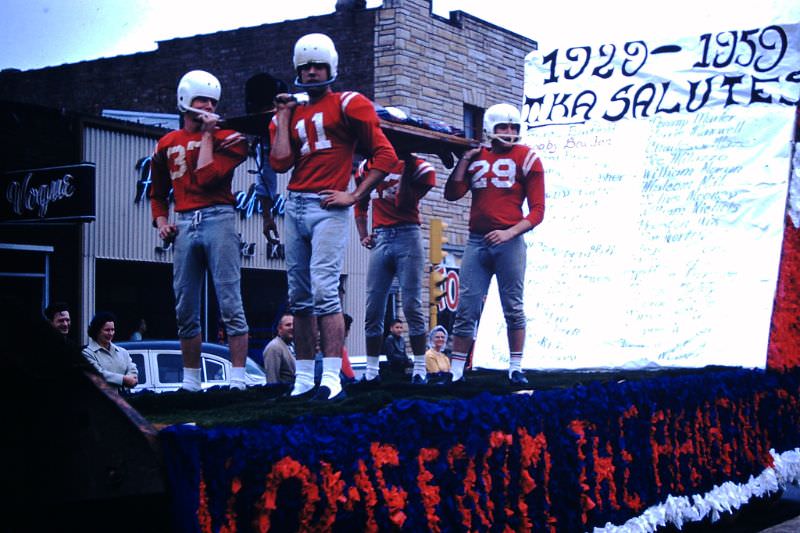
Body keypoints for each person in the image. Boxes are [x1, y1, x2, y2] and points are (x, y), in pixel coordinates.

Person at [269, 33, 399, 401]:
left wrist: (355, 194)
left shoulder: (348, 103)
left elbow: (385, 155)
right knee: (299, 296)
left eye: (318, 65)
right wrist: (281, 115)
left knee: (325, 291)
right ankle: (304, 378)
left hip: (328, 206)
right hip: (294, 204)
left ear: (331, 67)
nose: (311, 72)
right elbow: (279, 161)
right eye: (305, 67)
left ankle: (332, 378)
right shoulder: (293, 110)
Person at [150, 69, 250, 391]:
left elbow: (207, 178)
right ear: (185, 101)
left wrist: (208, 135)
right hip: (183, 220)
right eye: (201, 100)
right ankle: (191, 380)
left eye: (211, 101)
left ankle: (238, 378)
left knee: (230, 301)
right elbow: (157, 193)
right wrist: (162, 222)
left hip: (219, 217)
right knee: (185, 306)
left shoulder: (229, 138)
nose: (207, 106)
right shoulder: (167, 143)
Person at [444, 103, 545, 384]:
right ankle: (455, 371)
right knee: (467, 306)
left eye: (513, 127)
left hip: (509, 241)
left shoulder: (528, 157)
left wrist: (509, 233)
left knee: (512, 305)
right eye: (503, 127)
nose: (509, 133)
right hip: (477, 241)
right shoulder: (477, 157)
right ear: (490, 128)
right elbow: (452, 194)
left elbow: (537, 211)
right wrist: (464, 161)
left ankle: (515, 367)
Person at [355, 153, 436, 385]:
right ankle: (371, 371)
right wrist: (362, 235)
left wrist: (407, 164)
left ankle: (420, 367)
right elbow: (360, 202)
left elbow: (404, 202)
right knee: (373, 307)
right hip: (381, 236)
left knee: (411, 304)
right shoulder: (367, 164)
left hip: (407, 234)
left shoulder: (417, 165)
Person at [82, 311, 138, 393]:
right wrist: (124, 380)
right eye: (107, 330)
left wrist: (132, 378)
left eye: (113, 330)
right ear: (97, 331)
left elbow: (133, 370)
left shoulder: (123, 352)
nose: (111, 333)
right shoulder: (87, 353)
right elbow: (98, 374)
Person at [263, 313, 296, 385]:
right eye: (288, 325)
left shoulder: (293, 345)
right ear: (279, 329)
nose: (292, 327)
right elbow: (272, 380)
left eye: (294, 324)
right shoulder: (274, 347)